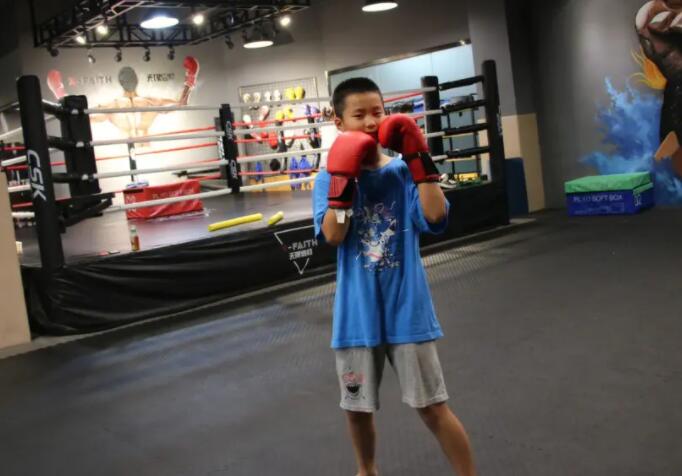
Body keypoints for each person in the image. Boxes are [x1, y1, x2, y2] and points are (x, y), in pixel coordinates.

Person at [312, 77, 477, 476]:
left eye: (378, 112)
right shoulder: (328, 177)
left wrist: (420, 160)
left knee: (433, 406)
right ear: (339, 122)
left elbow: (435, 217)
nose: (371, 122)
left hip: (408, 312)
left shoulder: (403, 172)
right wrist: (342, 183)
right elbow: (333, 236)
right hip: (356, 317)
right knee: (357, 410)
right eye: (359, 115)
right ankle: (366, 471)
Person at [46, 57, 200, 141]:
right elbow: (86, 117)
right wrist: (190, 79)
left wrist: (190, 79)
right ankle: (62, 97)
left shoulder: (147, 101)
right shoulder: (116, 105)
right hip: (130, 154)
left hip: (147, 154)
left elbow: (181, 104)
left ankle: (61, 96)